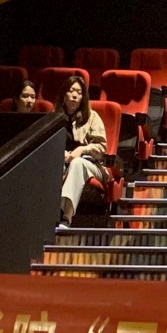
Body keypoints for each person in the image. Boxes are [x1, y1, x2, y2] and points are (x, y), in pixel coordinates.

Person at [57, 76, 108, 228]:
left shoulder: (92, 117)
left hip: (92, 165)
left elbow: (101, 148)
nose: (74, 95)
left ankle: (66, 216)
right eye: (71, 91)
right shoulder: (54, 118)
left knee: (77, 163)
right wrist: (60, 153)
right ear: (64, 94)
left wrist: (82, 149)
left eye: (79, 93)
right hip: (62, 162)